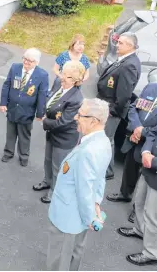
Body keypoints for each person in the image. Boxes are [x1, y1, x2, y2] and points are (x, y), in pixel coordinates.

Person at [47, 98, 112, 271]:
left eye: (80, 115)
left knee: (59, 256)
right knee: (75, 251)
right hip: (83, 214)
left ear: (93, 121)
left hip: (69, 215)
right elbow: (99, 178)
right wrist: (95, 205)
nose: (76, 117)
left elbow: (84, 189)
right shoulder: (104, 142)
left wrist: (89, 217)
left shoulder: (88, 151)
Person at [106, 82, 157, 223]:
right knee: (130, 165)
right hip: (135, 137)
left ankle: (138, 210)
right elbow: (133, 107)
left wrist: (142, 132)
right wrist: (136, 127)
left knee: (146, 179)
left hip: (153, 145)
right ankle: (125, 193)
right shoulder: (152, 87)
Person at [33, 60, 84, 203]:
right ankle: (47, 181)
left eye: (67, 76)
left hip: (64, 137)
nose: (62, 77)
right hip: (52, 132)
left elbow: (63, 122)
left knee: (58, 167)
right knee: (47, 160)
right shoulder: (58, 84)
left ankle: (54, 191)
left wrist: (44, 120)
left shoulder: (76, 99)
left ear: (75, 81)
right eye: (63, 73)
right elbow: (50, 100)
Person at [96, 32, 141, 180]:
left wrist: (112, 110)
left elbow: (124, 94)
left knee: (106, 139)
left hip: (111, 109)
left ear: (130, 46)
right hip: (106, 105)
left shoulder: (130, 65)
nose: (117, 45)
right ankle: (103, 167)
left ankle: (107, 171)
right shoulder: (124, 60)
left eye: (121, 43)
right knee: (104, 138)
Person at [116, 123, 157, 266]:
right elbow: (153, 132)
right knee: (140, 203)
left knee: (154, 216)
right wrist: (146, 152)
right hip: (148, 166)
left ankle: (152, 253)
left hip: (156, 169)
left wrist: (154, 161)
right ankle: (140, 230)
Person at [0, 48, 49, 166]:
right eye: (25, 59)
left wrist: (40, 113)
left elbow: (42, 95)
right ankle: (8, 153)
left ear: (36, 62)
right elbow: (7, 85)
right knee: (10, 133)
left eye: (30, 61)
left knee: (24, 135)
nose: (26, 63)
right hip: (12, 108)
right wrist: (3, 103)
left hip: (27, 112)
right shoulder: (15, 67)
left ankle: (24, 156)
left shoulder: (42, 75)